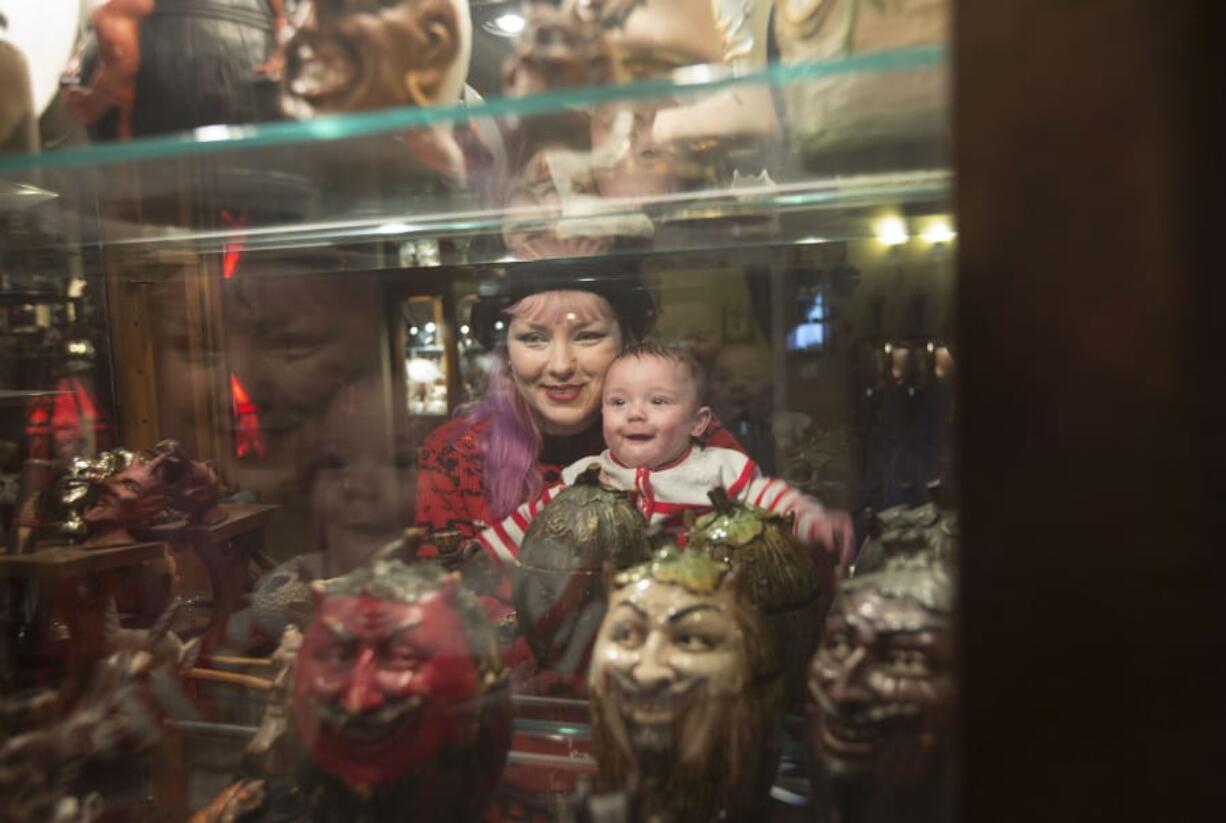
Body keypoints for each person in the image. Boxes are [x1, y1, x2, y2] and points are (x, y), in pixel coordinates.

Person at [415, 261, 745, 551]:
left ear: (626, 344)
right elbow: (449, 596)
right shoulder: (457, 453)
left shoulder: (681, 435)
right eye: (533, 338)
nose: (561, 365)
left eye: (587, 336)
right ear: (507, 356)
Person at [478, 342, 856, 565]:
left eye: (658, 401)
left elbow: (774, 502)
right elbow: (533, 523)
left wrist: (816, 523)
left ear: (698, 422)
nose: (636, 413)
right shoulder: (588, 475)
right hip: (610, 606)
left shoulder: (720, 469)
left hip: (704, 596)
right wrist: (482, 555)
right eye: (619, 401)